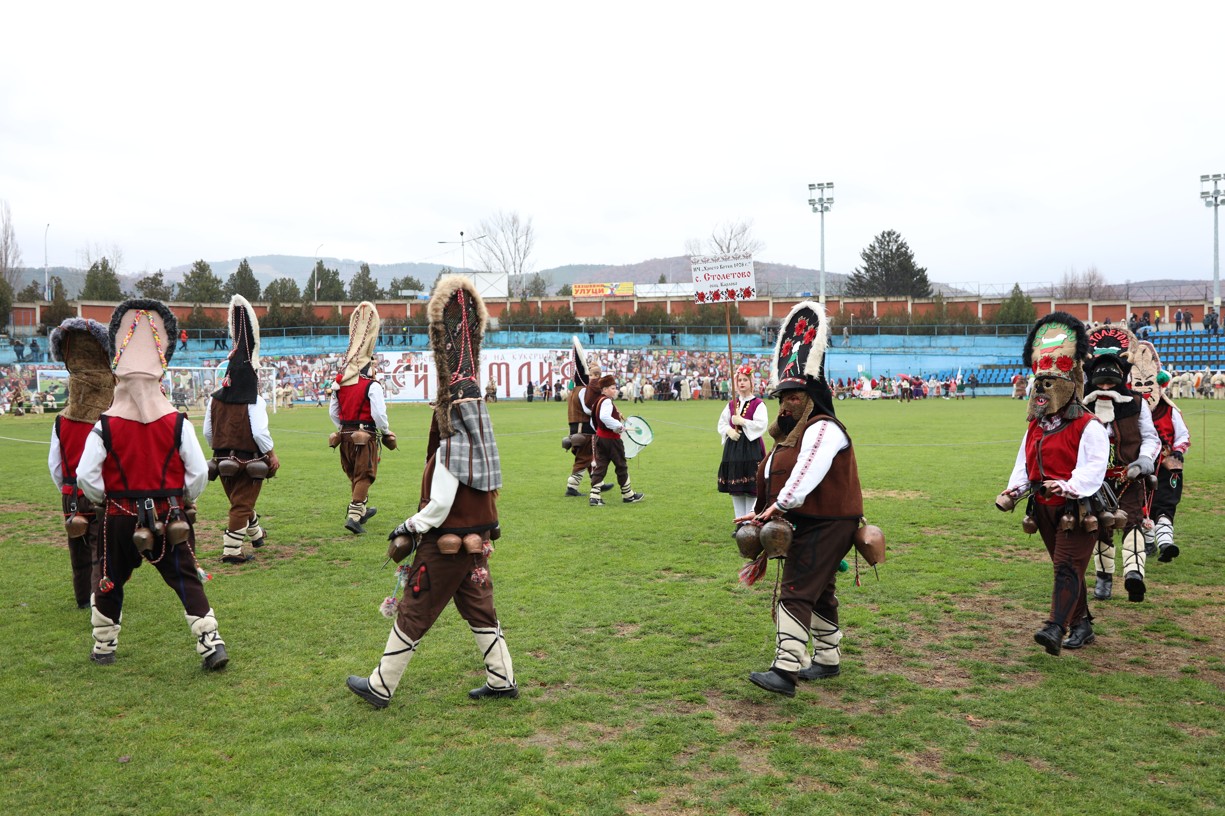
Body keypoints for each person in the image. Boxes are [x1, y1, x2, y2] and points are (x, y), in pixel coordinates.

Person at [346, 274, 518, 708]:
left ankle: (381, 686)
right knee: (480, 609)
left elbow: (439, 506)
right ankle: (502, 679)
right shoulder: (483, 449)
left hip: (444, 546)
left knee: (414, 610)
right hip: (475, 545)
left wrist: (407, 525)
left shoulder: (450, 450)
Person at [75, 298, 227, 670]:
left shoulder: (105, 425)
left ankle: (104, 647)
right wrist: (183, 498)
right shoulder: (177, 422)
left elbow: (85, 476)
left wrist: (104, 500)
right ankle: (211, 644)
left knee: (109, 578)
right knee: (185, 576)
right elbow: (197, 472)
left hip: (119, 516)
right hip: (169, 513)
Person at [742, 301, 865, 697]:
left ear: (811, 397)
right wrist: (761, 512)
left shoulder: (824, 428)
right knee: (821, 590)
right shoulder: (792, 435)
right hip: (810, 520)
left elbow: (805, 474)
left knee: (795, 590)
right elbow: (773, 473)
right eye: (782, 398)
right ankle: (827, 658)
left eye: (794, 397)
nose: (785, 405)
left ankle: (785, 669)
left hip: (828, 522)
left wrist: (777, 507)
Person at [998, 312, 1106, 655]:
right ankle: (1082, 624)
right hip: (1043, 508)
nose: (1042, 389)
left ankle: (1055, 627)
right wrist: (1015, 489)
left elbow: (1094, 468)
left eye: (1050, 382)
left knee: (1066, 566)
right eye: (1039, 382)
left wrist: (1069, 485)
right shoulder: (1035, 426)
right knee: (1067, 567)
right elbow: (1024, 463)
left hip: (1078, 509)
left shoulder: (1088, 425)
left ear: (1068, 386)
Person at [1083, 326, 1159, 603]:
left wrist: (1145, 460)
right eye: (1100, 383)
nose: (1105, 388)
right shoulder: (1082, 406)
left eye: (1110, 383)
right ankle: (1104, 577)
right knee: (1100, 526)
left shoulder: (1137, 403)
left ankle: (1134, 574)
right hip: (1096, 479)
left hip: (1130, 475)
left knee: (1133, 521)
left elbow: (1151, 438)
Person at [204, 296, 280, 564]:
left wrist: (220, 450)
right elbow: (259, 433)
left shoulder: (214, 399)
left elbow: (208, 433)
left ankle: (256, 534)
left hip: (221, 460)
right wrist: (271, 454)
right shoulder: (254, 400)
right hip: (248, 460)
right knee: (241, 504)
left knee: (240, 500)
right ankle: (232, 551)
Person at [48, 317, 116, 608]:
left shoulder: (61, 421)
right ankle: (100, 598)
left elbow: (55, 465)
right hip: (103, 493)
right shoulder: (112, 420)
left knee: (78, 550)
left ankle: (83, 599)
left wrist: (67, 489)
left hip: (71, 494)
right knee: (102, 550)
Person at [330, 302, 396, 535]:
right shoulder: (372, 385)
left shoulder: (339, 385)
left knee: (354, 475)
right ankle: (354, 515)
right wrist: (385, 431)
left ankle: (362, 510)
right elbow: (378, 414)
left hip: (345, 436)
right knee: (366, 474)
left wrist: (343, 428)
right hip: (364, 435)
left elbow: (333, 412)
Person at [1132, 350, 1190, 562]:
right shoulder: (1131, 410)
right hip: (1139, 463)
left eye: (1149, 384)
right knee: (1140, 502)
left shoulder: (1169, 411)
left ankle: (1165, 542)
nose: (1145, 389)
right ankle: (1149, 542)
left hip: (1166, 465)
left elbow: (1183, 435)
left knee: (1164, 502)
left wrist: (1178, 450)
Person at [717, 364, 769, 521]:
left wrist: (743, 422)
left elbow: (761, 424)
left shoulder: (758, 404)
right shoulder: (731, 404)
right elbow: (722, 422)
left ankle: (749, 522)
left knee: (751, 487)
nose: (741, 383)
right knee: (736, 487)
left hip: (751, 448)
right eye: (739, 380)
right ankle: (739, 521)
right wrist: (729, 431)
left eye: (745, 380)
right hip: (734, 448)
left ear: (751, 382)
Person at [586, 374, 645, 506]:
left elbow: (593, 421)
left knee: (601, 466)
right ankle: (628, 495)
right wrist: (619, 426)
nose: (615, 390)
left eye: (615, 388)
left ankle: (594, 496)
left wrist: (601, 430)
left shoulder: (598, 400)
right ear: (604, 390)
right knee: (621, 465)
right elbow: (604, 417)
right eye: (612, 388)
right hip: (612, 440)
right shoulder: (606, 401)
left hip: (600, 438)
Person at [564, 337, 612, 498]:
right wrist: (600, 409)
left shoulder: (573, 390)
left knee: (592, 457)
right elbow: (587, 409)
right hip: (583, 428)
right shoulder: (583, 389)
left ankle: (598, 483)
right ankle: (572, 486)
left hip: (576, 427)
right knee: (584, 458)